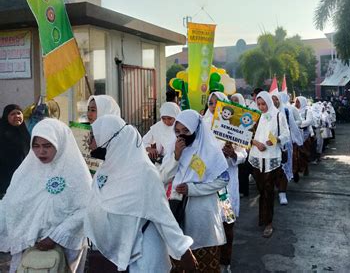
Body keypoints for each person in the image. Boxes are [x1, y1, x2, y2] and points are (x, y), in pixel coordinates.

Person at [85, 115, 196, 272]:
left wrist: (183, 250)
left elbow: (163, 215)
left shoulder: (143, 174)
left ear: (109, 139)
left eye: (93, 137)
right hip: (117, 258)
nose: (89, 142)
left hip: (144, 257)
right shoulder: (105, 172)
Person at [0, 118, 92, 272]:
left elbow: (86, 209)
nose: (41, 152)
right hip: (28, 251)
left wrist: (55, 236)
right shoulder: (25, 172)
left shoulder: (76, 174)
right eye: (36, 146)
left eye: (47, 146)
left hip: (64, 250)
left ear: (60, 143)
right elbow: (9, 205)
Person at [160, 110, 229, 273]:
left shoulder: (210, 150)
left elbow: (223, 179)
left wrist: (193, 189)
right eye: (177, 131)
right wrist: (176, 156)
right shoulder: (173, 148)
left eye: (186, 131)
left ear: (196, 129)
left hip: (202, 214)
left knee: (205, 264)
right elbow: (162, 177)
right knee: (179, 262)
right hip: (176, 211)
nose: (181, 135)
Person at [248, 91, 290, 238]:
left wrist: (276, 140)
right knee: (261, 190)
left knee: (268, 190)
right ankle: (263, 218)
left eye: (263, 103)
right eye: (259, 104)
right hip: (256, 157)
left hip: (271, 157)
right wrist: (256, 143)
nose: (261, 107)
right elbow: (246, 134)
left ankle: (268, 223)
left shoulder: (278, 115)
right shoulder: (256, 116)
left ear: (269, 102)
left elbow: (286, 135)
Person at [217, 94, 248, 273]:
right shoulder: (202, 126)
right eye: (211, 103)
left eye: (217, 104)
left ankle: (225, 262)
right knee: (208, 226)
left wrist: (234, 155)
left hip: (225, 188)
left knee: (227, 223)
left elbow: (243, 153)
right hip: (206, 188)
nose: (213, 107)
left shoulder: (235, 126)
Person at [272, 92, 303, 205]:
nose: (274, 101)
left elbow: (293, 126)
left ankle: (282, 193)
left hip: (284, 144)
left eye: (276, 99)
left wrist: (299, 141)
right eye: (272, 99)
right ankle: (277, 188)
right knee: (274, 169)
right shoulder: (267, 113)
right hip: (271, 145)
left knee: (284, 168)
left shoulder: (286, 110)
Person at [0, 104, 30, 197]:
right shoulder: (2, 134)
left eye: (19, 113)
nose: (16, 116)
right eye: (12, 114)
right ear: (6, 117)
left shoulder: (25, 133)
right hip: (4, 180)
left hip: (22, 178)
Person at [295, 96, 314, 176]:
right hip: (296, 133)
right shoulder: (294, 110)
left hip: (305, 134)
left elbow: (309, 121)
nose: (296, 103)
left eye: (298, 102)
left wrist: (299, 123)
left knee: (304, 152)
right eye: (296, 102)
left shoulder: (307, 111)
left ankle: (305, 167)